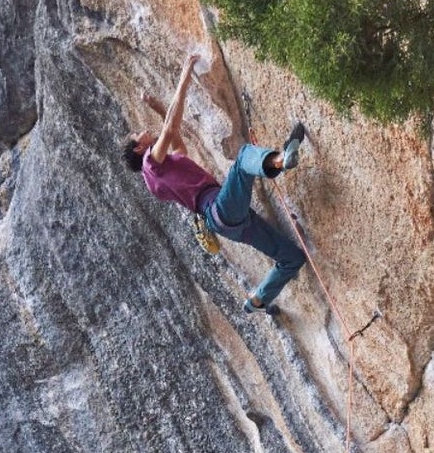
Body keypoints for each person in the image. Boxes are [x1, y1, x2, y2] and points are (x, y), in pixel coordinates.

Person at [123, 51, 308, 313]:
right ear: (139, 148)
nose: (142, 131)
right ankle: (281, 158)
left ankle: (257, 301)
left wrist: (157, 107)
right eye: (137, 134)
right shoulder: (149, 165)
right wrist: (185, 76)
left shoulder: (159, 175)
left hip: (228, 222)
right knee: (243, 157)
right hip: (218, 208)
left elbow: (175, 138)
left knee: (292, 259)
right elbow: (168, 131)